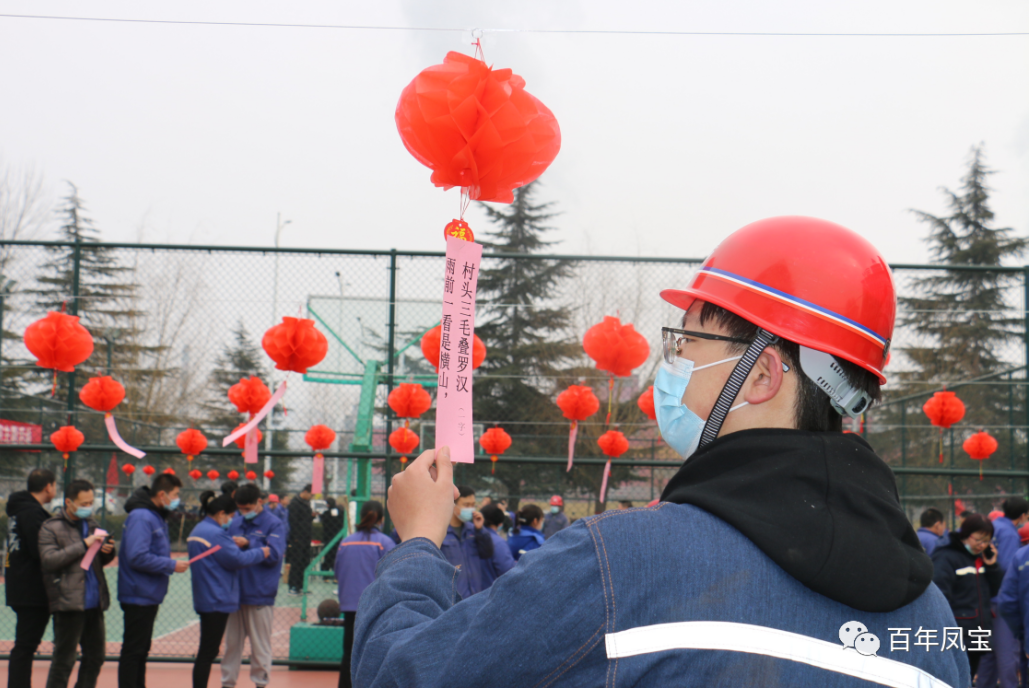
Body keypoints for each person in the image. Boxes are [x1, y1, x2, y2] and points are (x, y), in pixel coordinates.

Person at [354, 217, 969, 687]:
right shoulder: (934, 621)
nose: (669, 366)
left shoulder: (621, 564)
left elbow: (403, 674)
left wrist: (417, 546)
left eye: (688, 342)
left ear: (762, 378)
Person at [38, 479, 116, 688]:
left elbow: (98, 561)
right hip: (68, 603)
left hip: (94, 601)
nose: (88, 508)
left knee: (96, 657)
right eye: (83, 504)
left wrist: (108, 551)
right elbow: (49, 560)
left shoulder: (92, 524)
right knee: (64, 660)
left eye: (90, 503)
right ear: (69, 503)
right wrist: (83, 544)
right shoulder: (50, 527)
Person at [187, 490, 268, 688]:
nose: (232, 521)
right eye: (231, 516)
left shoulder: (199, 529)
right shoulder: (216, 534)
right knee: (208, 651)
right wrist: (261, 552)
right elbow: (238, 559)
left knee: (207, 649)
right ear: (222, 513)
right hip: (217, 597)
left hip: (205, 595)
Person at [118, 472, 189, 688]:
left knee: (140, 650)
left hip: (148, 594)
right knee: (134, 651)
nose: (177, 499)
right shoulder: (142, 517)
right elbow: (137, 556)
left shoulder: (155, 515)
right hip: (138, 593)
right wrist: (170, 565)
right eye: (175, 494)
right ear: (162, 494)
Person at [222, 483, 285, 688]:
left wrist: (249, 544)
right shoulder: (235, 522)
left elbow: (274, 554)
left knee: (260, 645)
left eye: (247, 509)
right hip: (235, 594)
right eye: (240, 509)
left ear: (259, 502)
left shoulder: (274, 523)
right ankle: (227, 683)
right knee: (232, 644)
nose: (243, 513)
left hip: (260, 592)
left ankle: (260, 683)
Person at [933, 513, 1003, 678]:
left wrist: (992, 567)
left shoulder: (980, 558)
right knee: (956, 676)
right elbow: (939, 594)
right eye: (978, 540)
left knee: (969, 675)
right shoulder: (946, 557)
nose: (982, 545)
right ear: (966, 535)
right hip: (958, 630)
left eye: (986, 541)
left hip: (978, 630)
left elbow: (993, 591)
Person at [334, 500, 395, 688]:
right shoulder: (385, 543)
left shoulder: (345, 542)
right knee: (376, 654)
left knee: (349, 653)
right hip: (376, 608)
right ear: (382, 519)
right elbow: (394, 574)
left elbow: (338, 571)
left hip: (350, 606)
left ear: (361, 517)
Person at [5, 468, 57, 688]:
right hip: (31, 589)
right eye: (54, 485)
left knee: (25, 645)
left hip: (19, 585)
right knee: (25, 646)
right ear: (48, 487)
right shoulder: (32, 513)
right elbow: (41, 551)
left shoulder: (19, 510)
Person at [979, 498, 1029, 688]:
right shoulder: (1009, 534)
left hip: (984, 599)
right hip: (1001, 602)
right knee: (1007, 654)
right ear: (1023, 515)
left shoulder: (992, 526)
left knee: (988, 654)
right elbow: (1008, 574)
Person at [440, 485, 493, 599]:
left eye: (473, 505)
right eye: (466, 505)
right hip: (452, 598)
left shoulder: (473, 530)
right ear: (452, 505)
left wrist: (480, 530)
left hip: (474, 595)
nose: (471, 509)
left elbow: (487, 553)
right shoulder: (441, 532)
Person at [286, 485, 315, 594]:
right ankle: (293, 586)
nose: (312, 497)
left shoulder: (306, 503)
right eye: (311, 494)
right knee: (296, 562)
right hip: (297, 539)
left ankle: (301, 586)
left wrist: (312, 516)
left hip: (306, 537)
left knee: (304, 562)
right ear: (305, 492)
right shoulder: (294, 504)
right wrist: (296, 538)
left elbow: (304, 519)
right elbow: (293, 522)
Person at [477, 505, 515, 586]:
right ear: (500, 523)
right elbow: (508, 571)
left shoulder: (470, 536)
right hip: (489, 592)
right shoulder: (498, 542)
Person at [319, 497, 345, 574]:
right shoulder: (340, 511)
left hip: (328, 536)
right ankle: (335, 573)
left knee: (328, 555)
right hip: (337, 537)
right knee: (335, 555)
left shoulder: (326, 513)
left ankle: (325, 573)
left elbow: (323, 519)